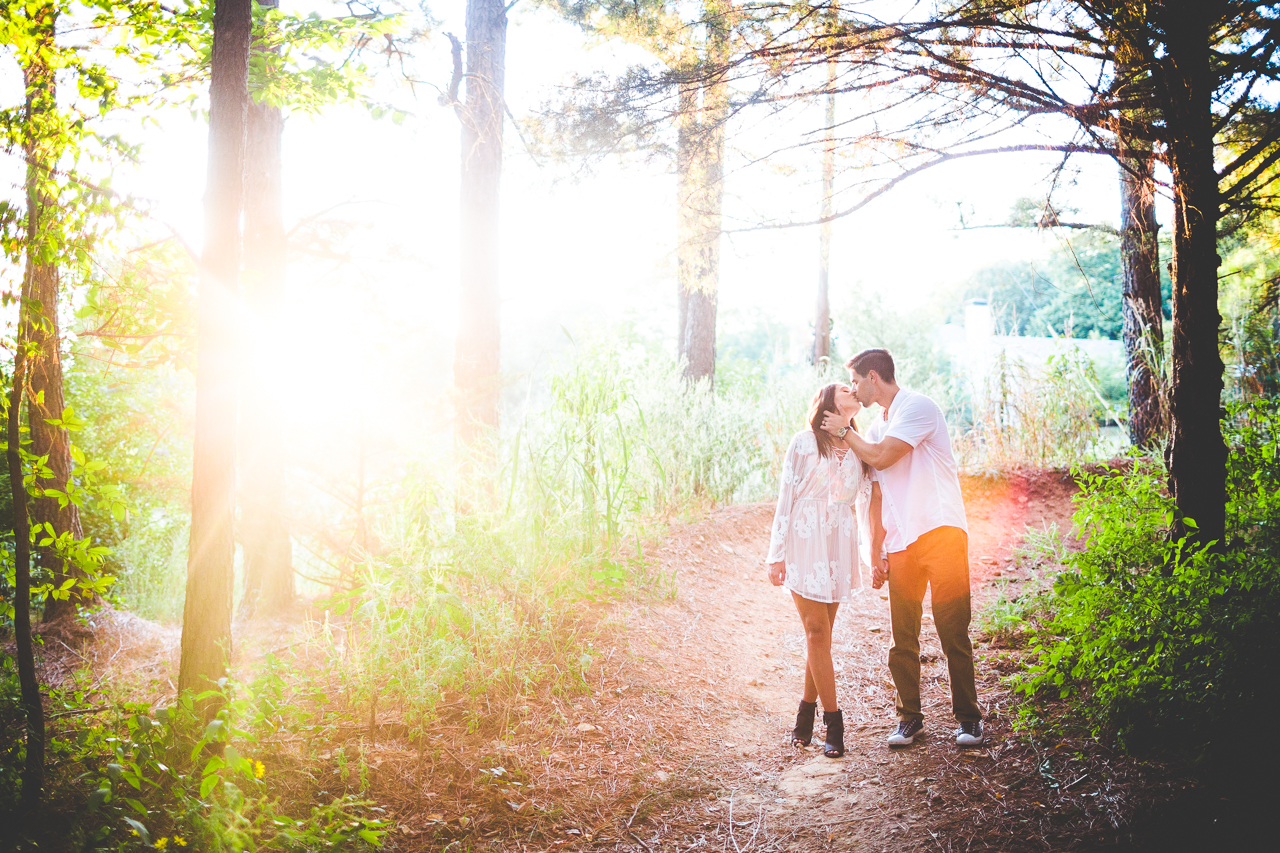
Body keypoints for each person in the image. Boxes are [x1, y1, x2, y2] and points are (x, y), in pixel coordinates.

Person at [822, 348, 984, 748]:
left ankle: (969, 719)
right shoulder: (876, 426)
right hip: (901, 543)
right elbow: (875, 492)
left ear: (874, 377)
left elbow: (882, 457)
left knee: (952, 629)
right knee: (902, 637)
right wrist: (876, 549)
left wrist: (844, 429)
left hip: (940, 530)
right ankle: (909, 718)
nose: (855, 389)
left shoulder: (918, 408)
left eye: (857, 381)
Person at [767, 382, 868, 759]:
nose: (855, 389)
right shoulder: (804, 442)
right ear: (829, 401)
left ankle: (804, 715)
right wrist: (775, 555)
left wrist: (873, 552)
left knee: (820, 636)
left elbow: (870, 499)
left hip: (839, 541)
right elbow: (785, 498)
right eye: (846, 387)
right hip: (804, 538)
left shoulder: (860, 444)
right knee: (816, 630)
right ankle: (834, 721)